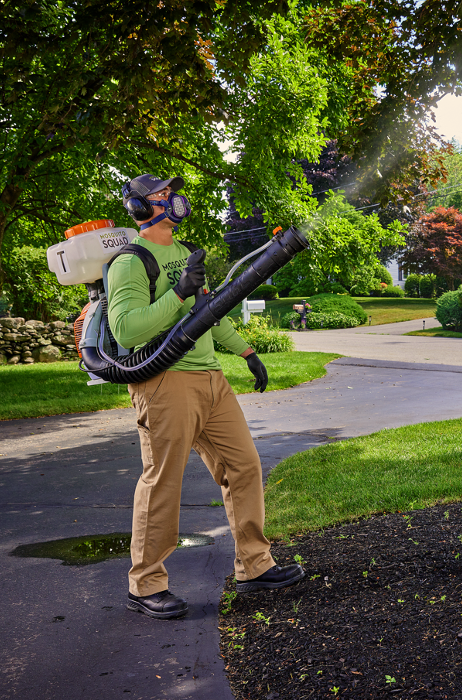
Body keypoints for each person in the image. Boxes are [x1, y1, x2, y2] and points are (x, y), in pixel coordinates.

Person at [108, 173, 304, 620]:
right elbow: (127, 330)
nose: (173, 199)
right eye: (161, 194)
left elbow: (209, 315)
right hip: (164, 382)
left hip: (211, 380)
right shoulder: (130, 262)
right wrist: (178, 291)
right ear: (139, 207)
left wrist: (247, 352)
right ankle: (146, 585)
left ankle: (254, 565)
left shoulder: (182, 253)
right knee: (163, 480)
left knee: (244, 465)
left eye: (171, 192)